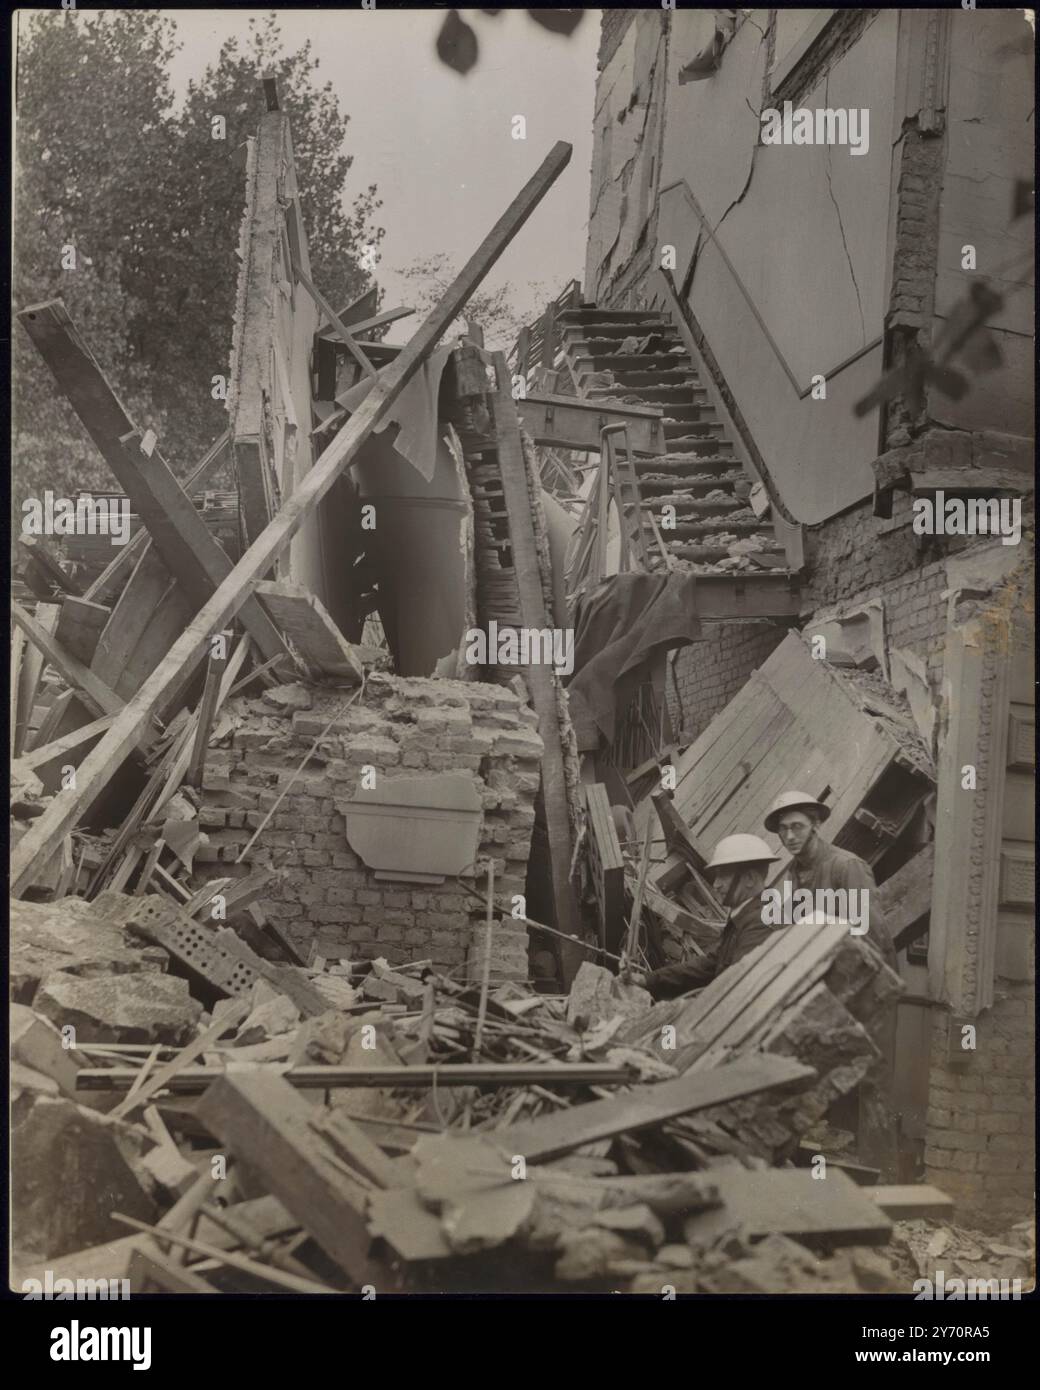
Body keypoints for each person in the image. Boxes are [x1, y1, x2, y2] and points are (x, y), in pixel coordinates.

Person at [633, 834, 780, 1000]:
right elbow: (711, 965)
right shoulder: (746, 915)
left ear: (750, 879)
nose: (716, 884)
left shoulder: (761, 922)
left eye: (723, 876)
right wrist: (648, 979)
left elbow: (738, 985)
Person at [762, 792, 895, 969]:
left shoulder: (847, 866)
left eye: (797, 827)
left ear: (816, 825)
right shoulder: (794, 872)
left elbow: (872, 935)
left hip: (861, 975)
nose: (790, 836)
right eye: (783, 828)